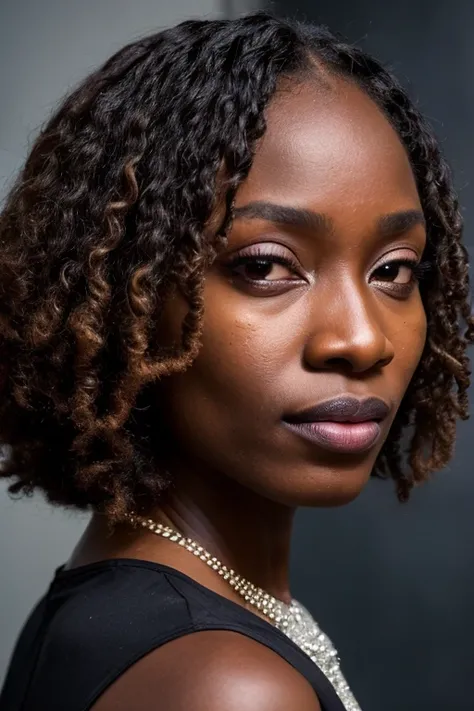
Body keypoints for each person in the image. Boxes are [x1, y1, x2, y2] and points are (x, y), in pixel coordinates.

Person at [0, 11, 472, 711]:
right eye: (265, 265)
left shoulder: (114, 604)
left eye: (393, 270)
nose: (364, 338)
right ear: (127, 292)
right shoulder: (228, 686)